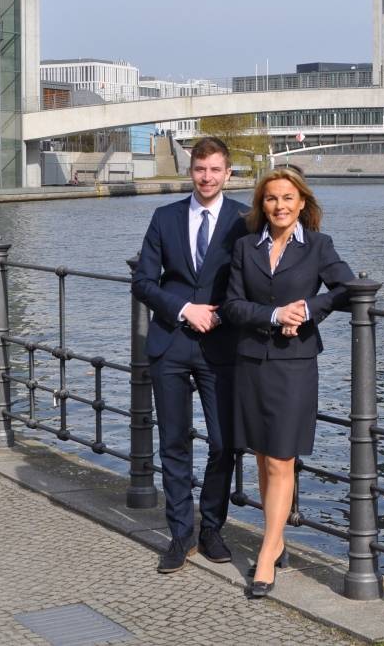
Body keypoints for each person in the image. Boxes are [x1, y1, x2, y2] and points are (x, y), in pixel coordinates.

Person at [223, 169, 353, 598]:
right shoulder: (245, 247)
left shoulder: (319, 246)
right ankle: (275, 540)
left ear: (302, 203)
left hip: (294, 364)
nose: (279, 206)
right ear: (262, 205)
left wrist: (309, 309)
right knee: (262, 457)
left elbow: (347, 288)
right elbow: (234, 305)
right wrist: (275, 315)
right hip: (250, 362)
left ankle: (266, 554)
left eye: (287, 198)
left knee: (281, 459)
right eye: (271, 199)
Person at [132, 137, 251, 573]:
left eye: (216, 170)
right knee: (174, 442)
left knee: (225, 442)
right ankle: (181, 534)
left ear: (228, 173)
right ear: (191, 171)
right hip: (171, 342)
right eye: (201, 169)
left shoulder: (244, 219)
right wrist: (184, 308)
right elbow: (143, 282)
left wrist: (220, 315)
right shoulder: (165, 218)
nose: (207, 177)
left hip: (221, 345)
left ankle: (213, 527)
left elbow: (253, 280)